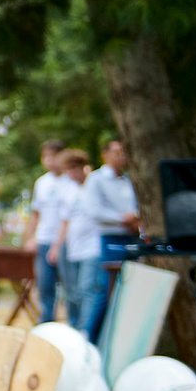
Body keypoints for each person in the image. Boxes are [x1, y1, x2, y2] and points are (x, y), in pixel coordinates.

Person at [76, 140, 141, 345]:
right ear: (105, 154)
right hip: (109, 239)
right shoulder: (96, 179)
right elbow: (93, 210)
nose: (121, 156)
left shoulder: (130, 180)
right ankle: (91, 338)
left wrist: (135, 221)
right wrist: (123, 219)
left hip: (132, 237)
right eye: (116, 152)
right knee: (104, 290)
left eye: (124, 152)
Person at [23, 140, 79, 322]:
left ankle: (74, 325)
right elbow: (35, 214)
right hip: (44, 240)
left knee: (70, 288)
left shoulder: (71, 182)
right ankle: (46, 323)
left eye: (53, 156)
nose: (49, 160)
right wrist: (31, 238)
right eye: (46, 156)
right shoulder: (41, 183)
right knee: (45, 287)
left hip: (67, 242)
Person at [54, 148, 98, 327]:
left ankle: (85, 329)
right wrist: (56, 246)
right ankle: (73, 327)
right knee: (71, 292)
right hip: (73, 247)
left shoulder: (94, 185)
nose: (71, 173)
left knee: (87, 289)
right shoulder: (68, 191)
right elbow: (64, 221)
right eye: (67, 170)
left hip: (93, 247)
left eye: (74, 168)